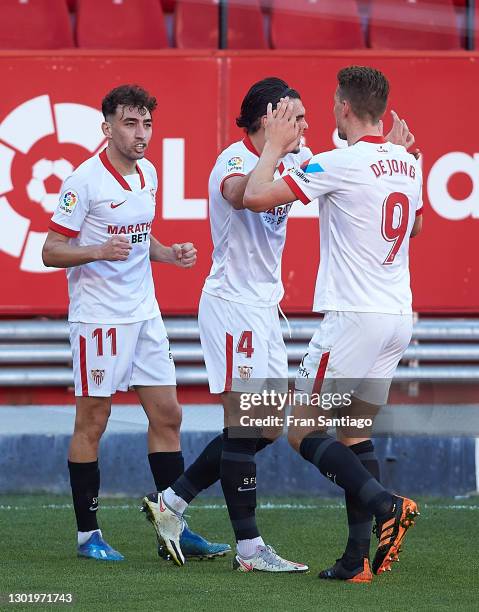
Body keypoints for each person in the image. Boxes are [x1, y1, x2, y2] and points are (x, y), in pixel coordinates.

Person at [142, 76, 412, 574]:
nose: (307, 125)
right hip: (232, 306)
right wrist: (276, 149)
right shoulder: (235, 158)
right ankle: (248, 549)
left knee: (265, 428)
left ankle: (173, 502)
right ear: (270, 118)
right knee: (247, 424)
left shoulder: (289, 160)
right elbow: (245, 194)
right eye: (297, 117)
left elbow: (345, 174)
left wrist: (378, 159)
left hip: (266, 308)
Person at [243, 65, 422, 583]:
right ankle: (355, 560)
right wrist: (397, 155)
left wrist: (274, 146)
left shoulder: (338, 163)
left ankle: (387, 504)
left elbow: (256, 196)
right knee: (354, 434)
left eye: (331, 104)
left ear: (344, 107)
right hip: (396, 318)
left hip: (352, 320)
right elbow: (415, 225)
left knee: (300, 430)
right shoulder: (407, 163)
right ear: (381, 109)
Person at [42, 84, 229, 562]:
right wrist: (96, 250)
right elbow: (50, 251)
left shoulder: (148, 173)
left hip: (145, 315)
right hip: (99, 319)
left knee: (168, 415)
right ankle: (88, 536)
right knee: (94, 420)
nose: (141, 133)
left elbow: (141, 238)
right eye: (130, 123)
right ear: (107, 128)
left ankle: (172, 525)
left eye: (146, 123)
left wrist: (170, 254)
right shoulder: (83, 181)